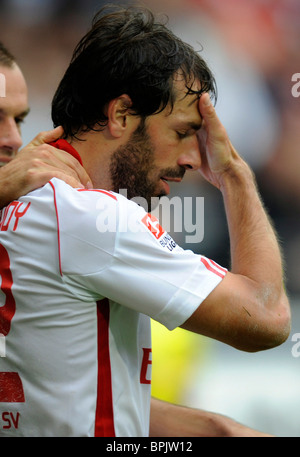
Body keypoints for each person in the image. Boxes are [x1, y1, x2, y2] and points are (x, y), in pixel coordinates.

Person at [0, 5, 290, 437]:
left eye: (20, 119)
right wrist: (235, 175)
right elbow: (265, 319)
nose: (194, 158)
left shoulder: (15, 200)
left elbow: (54, 388)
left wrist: (217, 428)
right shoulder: (93, 216)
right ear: (120, 115)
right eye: (181, 132)